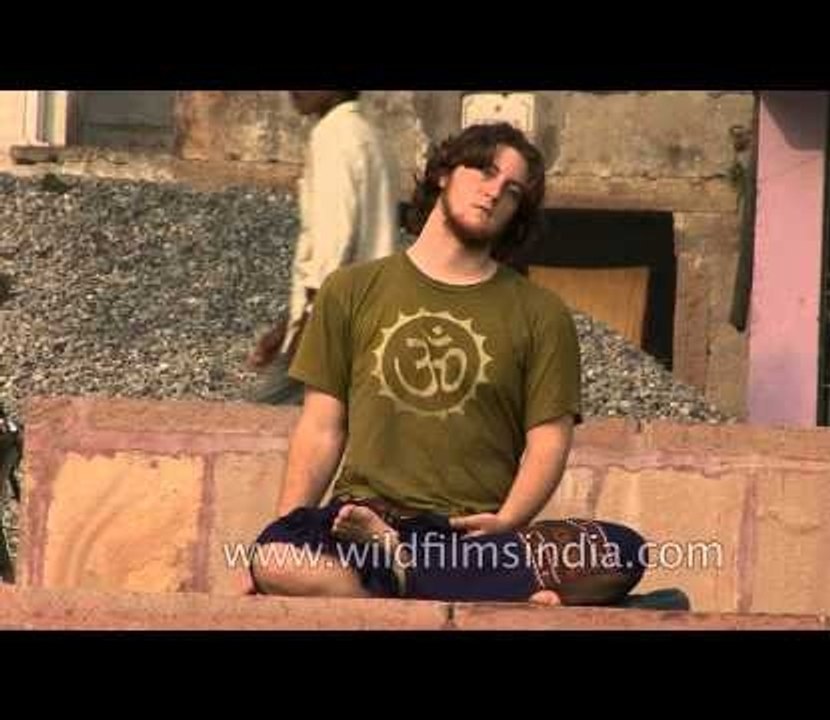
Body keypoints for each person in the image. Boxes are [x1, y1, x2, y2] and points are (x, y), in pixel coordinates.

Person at [248, 122, 647, 606]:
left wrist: (509, 521)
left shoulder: (541, 313)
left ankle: (403, 578)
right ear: (443, 173)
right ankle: (475, 592)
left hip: (470, 540)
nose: (494, 192)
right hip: (359, 526)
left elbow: (549, 442)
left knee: (620, 552)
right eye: (484, 171)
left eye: (512, 190)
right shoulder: (350, 290)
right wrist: (285, 533)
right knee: (277, 556)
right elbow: (320, 429)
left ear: (518, 211)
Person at [247, 91, 399, 405]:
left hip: (331, 327)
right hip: (365, 320)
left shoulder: (332, 136)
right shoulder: (372, 137)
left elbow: (335, 241)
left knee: (263, 422)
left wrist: (307, 334)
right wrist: (285, 328)